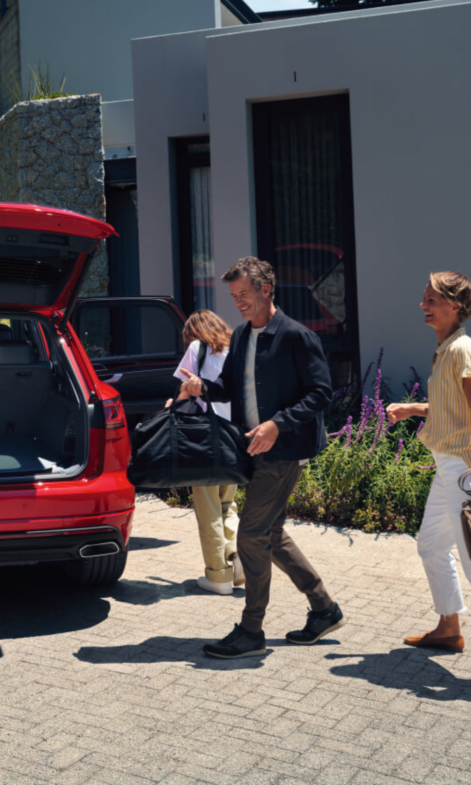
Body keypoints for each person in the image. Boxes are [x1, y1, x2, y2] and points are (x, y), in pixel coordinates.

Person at [180, 256, 344, 659]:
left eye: (245, 295)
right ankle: (324, 609)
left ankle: (251, 631)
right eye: (234, 296)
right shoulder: (240, 337)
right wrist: (203, 388)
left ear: (266, 290)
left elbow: (322, 392)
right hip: (250, 447)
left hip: (283, 449)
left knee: (250, 535)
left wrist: (278, 424)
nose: (238, 303)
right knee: (269, 534)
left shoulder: (296, 336)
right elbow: (231, 388)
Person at [386, 272, 471, 694]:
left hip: (464, 471)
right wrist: (412, 409)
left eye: (431, 299)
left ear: (455, 305)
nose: (424, 305)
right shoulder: (446, 349)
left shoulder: (464, 350)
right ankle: (449, 627)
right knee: (431, 546)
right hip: (449, 469)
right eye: (424, 298)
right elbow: (449, 407)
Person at [169, 310, 244, 595]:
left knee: (208, 507)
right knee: (228, 504)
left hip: (204, 439)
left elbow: (186, 390)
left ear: (194, 332)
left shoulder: (197, 348)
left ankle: (219, 576)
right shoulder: (236, 348)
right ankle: (238, 556)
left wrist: (172, 405)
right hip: (235, 437)